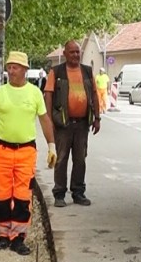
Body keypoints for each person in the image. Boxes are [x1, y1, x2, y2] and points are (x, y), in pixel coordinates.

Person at [0, 51, 56, 255]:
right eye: (9, 67)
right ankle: (3, 235)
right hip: (1, 150)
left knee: (22, 196)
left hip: (26, 151)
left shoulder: (34, 94)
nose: (11, 71)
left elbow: (45, 120)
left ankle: (18, 237)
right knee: (2, 195)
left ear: (25, 70)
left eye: (15, 67)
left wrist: (52, 145)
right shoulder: (0, 93)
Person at [43, 39, 100, 207]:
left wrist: (97, 118)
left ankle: (78, 193)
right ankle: (59, 194)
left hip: (82, 124)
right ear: (65, 54)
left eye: (78, 52)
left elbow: (95, 95)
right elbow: (48, 95)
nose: (76, 54)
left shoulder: (87, 72)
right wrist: (48, 120)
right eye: (72, 52)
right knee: (61, 159)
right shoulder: (57, 72)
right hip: (62, 124)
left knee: (80, 159)